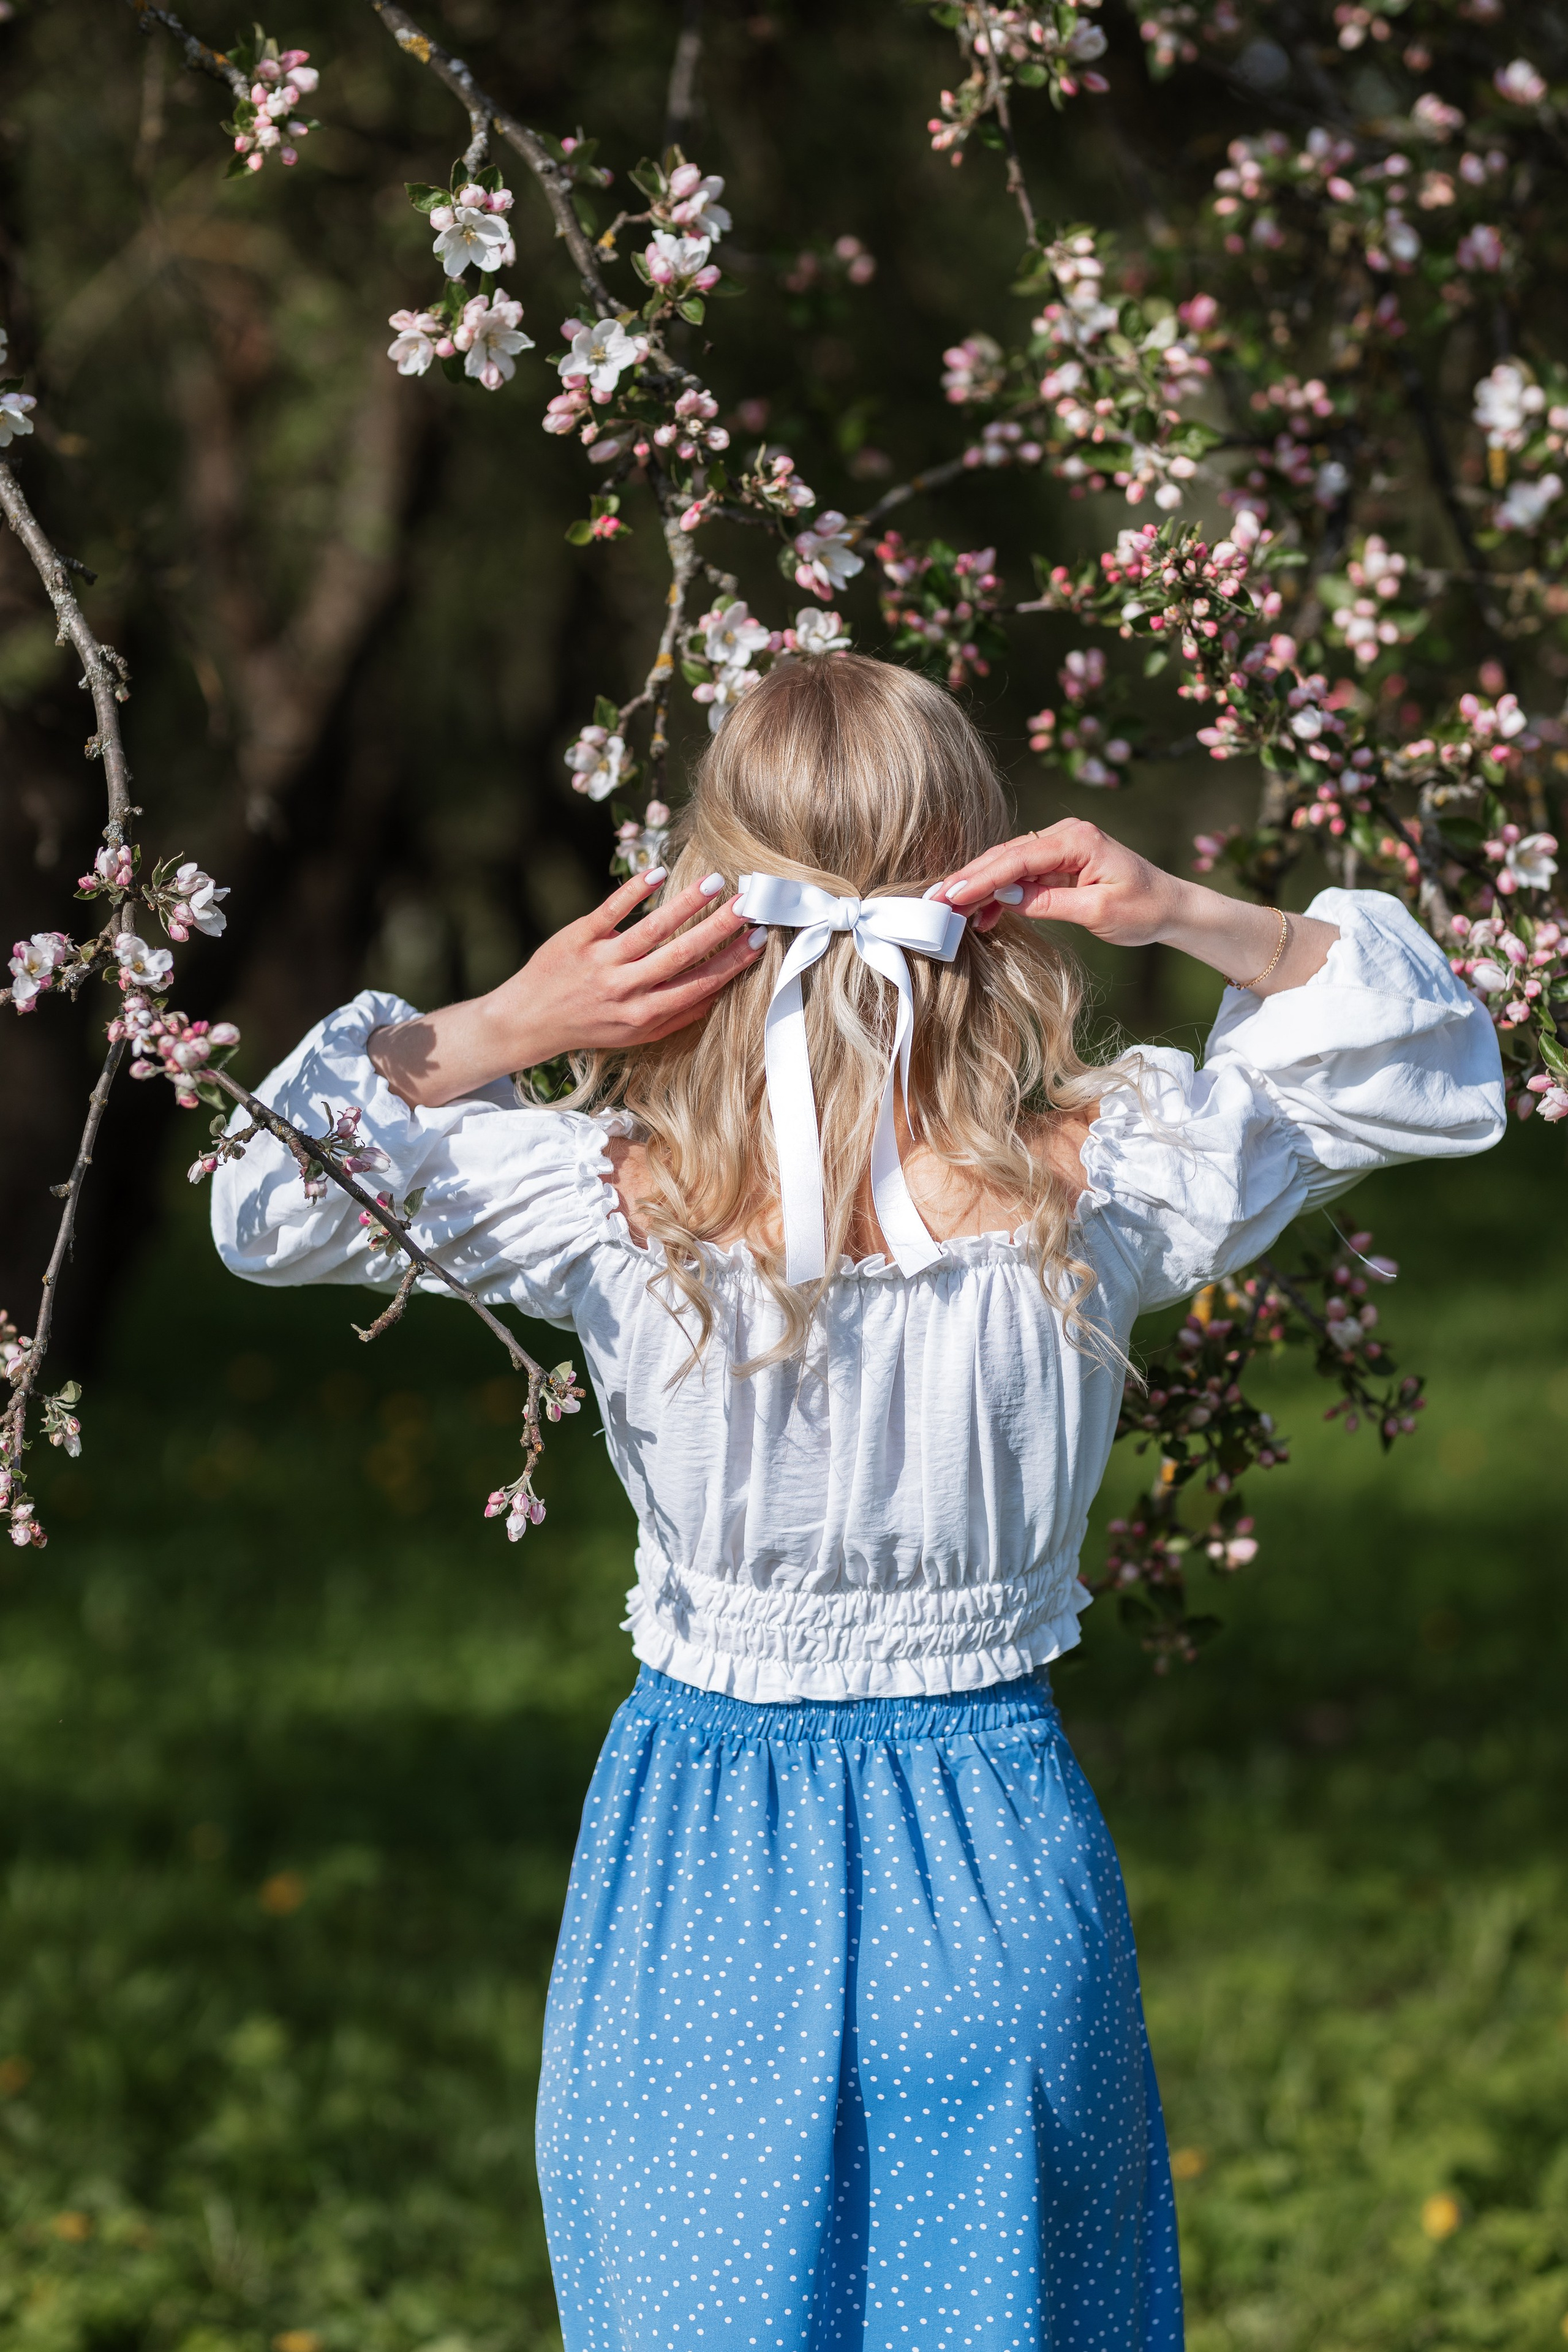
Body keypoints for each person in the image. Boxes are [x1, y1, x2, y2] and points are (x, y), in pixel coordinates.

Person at [212, 654, 1504, 2350]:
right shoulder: (1101, 1177)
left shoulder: (612, 1197)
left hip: (700, 1862)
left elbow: (269, 1201)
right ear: (990, 873)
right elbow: (1416, 1060)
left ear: (708, 893)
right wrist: (1189, 911)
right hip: (992, 1855)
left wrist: (508, 1023)